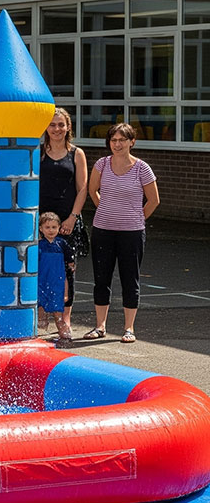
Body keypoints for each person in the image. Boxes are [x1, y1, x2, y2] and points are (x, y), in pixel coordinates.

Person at [82, 123, 160, 344]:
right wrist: (104, 208)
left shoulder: (142, 168)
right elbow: (92, 190)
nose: (117, 144)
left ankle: (128, 328)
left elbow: (154, 200)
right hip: (103, 230)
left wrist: (137, 217)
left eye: (122, 140)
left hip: (131, 234)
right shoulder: (102, 164)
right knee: (101, 278)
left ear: (131, 142)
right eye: (113, 140)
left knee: (130, 279)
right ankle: (100, 326)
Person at [38, 107, 88, 334]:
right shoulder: (37, 152)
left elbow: (83, 188)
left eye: (61, 124)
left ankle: (64, 319)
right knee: (38, 269)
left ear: (68, 127)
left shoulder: (76, 153)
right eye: (52, 125)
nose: (56, 129)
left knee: (67, 272)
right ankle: (41, 315)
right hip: (41, 222)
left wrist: (72, 218)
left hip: (67, 221)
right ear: (45, 128)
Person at [37, 212, 75, 345]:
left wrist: (65, 291)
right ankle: (36, 334)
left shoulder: (62, 244)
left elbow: (69, 265)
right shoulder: (38, 245)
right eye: (47, 227)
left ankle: (64, 335)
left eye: (54, 227)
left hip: (57, 281)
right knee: (40, 310)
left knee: (58, 313)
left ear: (59, 228)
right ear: (40, 229)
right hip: (41, 281)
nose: (51, 230)